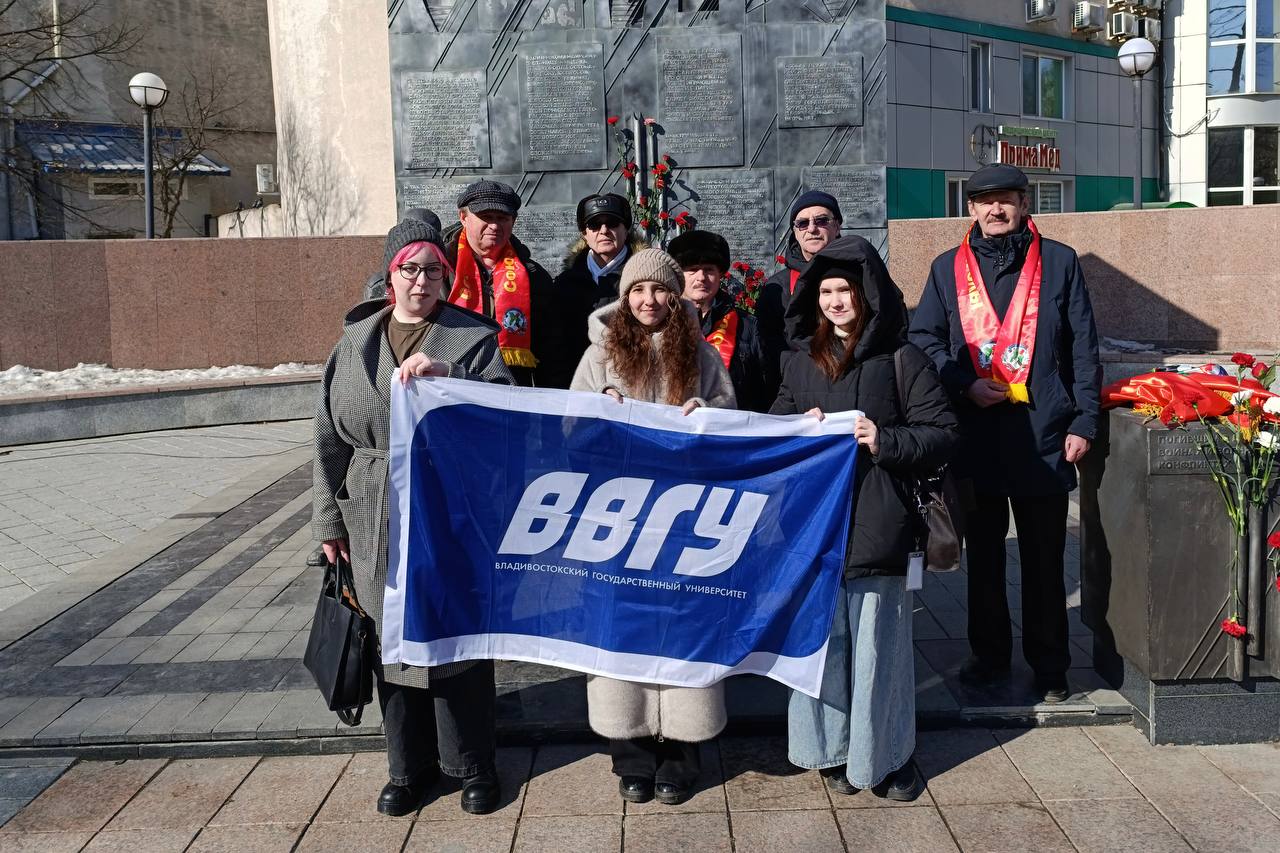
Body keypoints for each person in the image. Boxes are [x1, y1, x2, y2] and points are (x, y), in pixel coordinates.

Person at [313, 218, 515, 817]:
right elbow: (328, 436)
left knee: (456, 637)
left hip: (450, 510)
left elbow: (506, 403)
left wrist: (452, 380)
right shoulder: (354, 343)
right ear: (389, 274)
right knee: (388, 636)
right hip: (373, 512)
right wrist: (329, 519)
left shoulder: (471, 335)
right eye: (410, 267)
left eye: (433, 269)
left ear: (447, 276)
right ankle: (409, 766)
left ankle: (473, 765)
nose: (421, 280)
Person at [772, 235, 959, 801]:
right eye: (825, 290)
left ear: (868, 295)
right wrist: (792, 426)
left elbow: (943, 433)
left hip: (881, 523)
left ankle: (888, 756)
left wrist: (885, 441)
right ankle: (828, 750)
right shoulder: (799, 360)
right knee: (820, 648)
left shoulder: (903, 359)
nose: (834, 301)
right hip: (814, 530)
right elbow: (772, 427)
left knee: (879, 651)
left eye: (845, 290)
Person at [907, 163, 1101, 704]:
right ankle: (989, 657)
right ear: (970, 208)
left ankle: (1051, 667)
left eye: (1007, 199)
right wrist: (964, 384)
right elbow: (924, 339)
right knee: (985, 559)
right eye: (985, 200)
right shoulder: (948, 268)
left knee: (1043, 560)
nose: (996, 210)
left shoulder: (1059, 263)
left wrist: (1085, 419)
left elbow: (1083, 347)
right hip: (977, 436)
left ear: (1024, 203)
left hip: (1045, 434)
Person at [570, 248, 735, 806]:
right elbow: (571, 430)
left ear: (675, 295)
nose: (648, 300)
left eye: (660, 290)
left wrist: (704, 415)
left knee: (683, 625)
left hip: (685, 518)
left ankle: (682, 752)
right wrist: (600, 409)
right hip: (618, 520)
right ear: (625, 295)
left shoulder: (704, 355)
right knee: (624, 629)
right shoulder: (597, 357)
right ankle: (631, 754)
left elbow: (730, 420)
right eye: (638, 290)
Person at [441, 180, 573, 388]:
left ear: (513, 222)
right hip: (453, 389)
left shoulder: (535, 276)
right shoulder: (439, 270)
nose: (494, 225)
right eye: (486, 217)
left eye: (502, 218)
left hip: (511, 393)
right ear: (464, 218)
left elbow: (552, 351)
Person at [667, 229, 770, 412]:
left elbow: (766, 387)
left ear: (720, 274)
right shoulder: (661, 324)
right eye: (692, 270)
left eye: (709, 270)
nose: (701, 277)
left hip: (732, 432)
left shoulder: (747, 326)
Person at [758, 191, 844, 398]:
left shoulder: (863, 274)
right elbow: (771, 353)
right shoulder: (776, 288)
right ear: (795, 232)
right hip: (799, 392)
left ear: (837, 225)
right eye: (803, 223)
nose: (812, 229)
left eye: (821, 220)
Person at [556, 192, 648, 371]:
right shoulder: (565, 284)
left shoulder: (647, 279)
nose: (604, 230)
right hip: (578, 387)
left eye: (612, 223)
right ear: (584, 233)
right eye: (594, 224)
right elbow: (555, 346)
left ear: (626, 229)